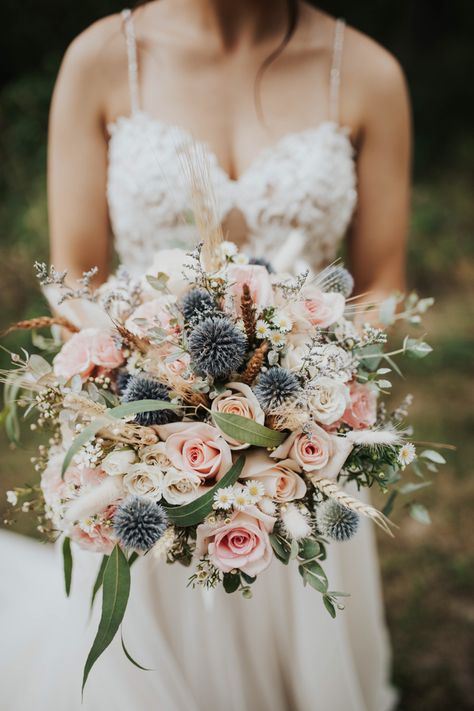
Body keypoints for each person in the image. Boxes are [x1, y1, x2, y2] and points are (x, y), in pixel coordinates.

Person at [2, 2, 411, 708]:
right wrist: (147, 380)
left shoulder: (370, 71)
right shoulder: (101, 58)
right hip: (148, 419)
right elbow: (74, 274)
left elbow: (382, 285)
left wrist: (310, 368)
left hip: (306, 434)